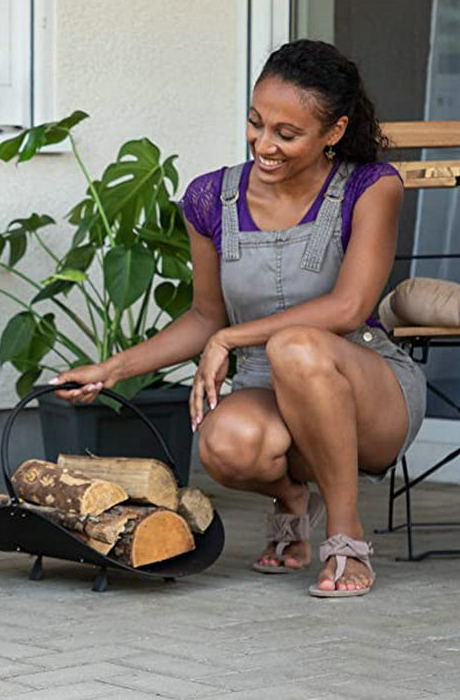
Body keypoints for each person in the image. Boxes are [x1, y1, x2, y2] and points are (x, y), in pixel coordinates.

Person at [50, 39, 427, 598]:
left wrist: (233, 336)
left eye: (286, 133)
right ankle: (295, 498)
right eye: (256, 123)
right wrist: (111, 369)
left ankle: (346, 534)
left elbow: (347, 308)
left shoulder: (372, 187)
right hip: (266, 385)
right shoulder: (211, 199)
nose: (264, 145)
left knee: (298, 346)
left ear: (334, 132)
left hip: (369, 386)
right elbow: (205, 315)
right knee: (224, 444)